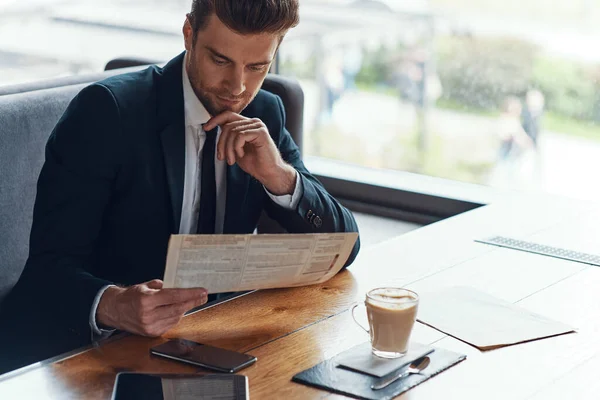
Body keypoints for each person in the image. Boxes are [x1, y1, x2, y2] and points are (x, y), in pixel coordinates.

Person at [0, 0, 360, 373]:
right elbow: (46, 273)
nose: (237, 87)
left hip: (211, 348)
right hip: (95, 357)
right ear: (189, 33)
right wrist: (113, 304)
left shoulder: (264, 113)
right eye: (220, 60)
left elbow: (344, 247)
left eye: (257, 67)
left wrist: (280, 177)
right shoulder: (107, 113)